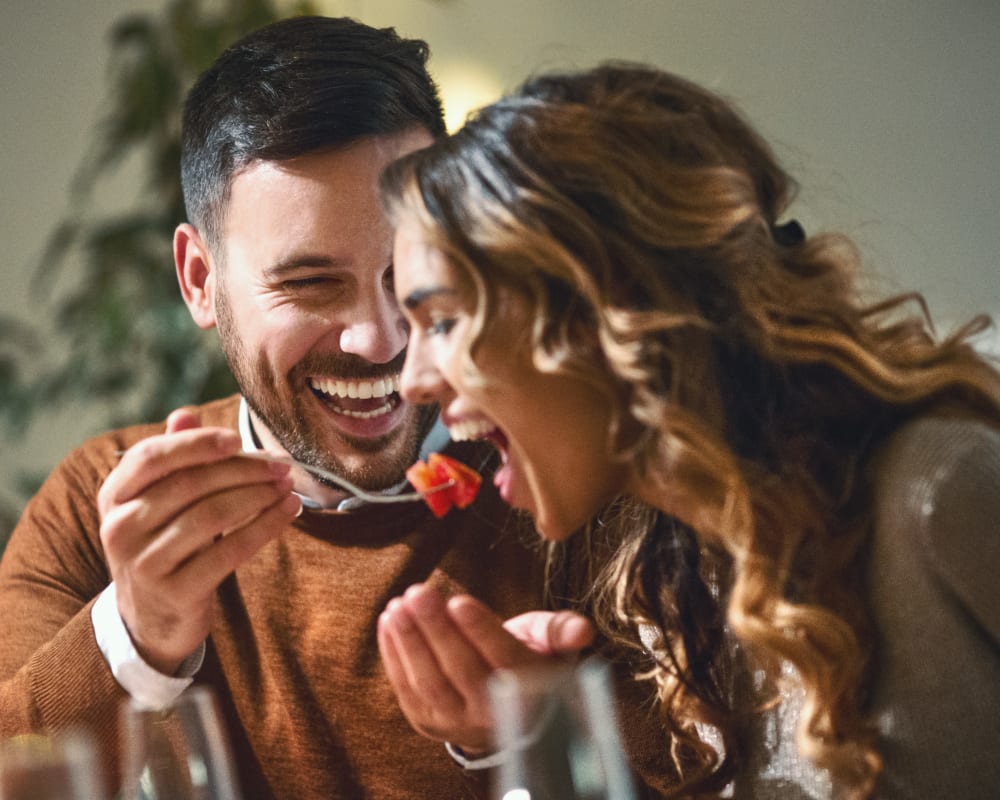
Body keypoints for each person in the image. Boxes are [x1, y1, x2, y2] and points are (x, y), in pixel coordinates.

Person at [0, 16, 586, 799]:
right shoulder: (98, 504)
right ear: (200, 280)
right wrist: (137, 637)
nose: (380, 339)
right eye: (311, 284)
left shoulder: (563, 476)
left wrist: (526, 745)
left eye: (410, 270)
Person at [377, 62, 1000, 798]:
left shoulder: (941, 494)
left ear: (608, 306)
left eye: (443, 320)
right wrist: (553, 736)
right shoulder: (684, 577)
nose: (411, 378)